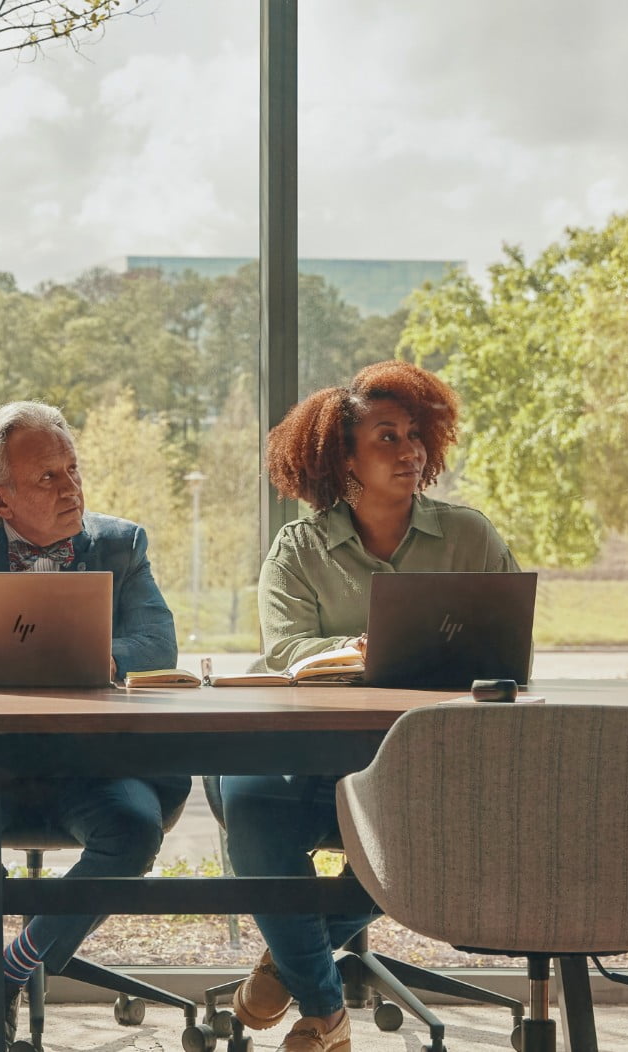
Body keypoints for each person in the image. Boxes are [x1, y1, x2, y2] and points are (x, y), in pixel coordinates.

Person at [220, 361, 517, 1052]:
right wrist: (363, 648)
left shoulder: (470, 538)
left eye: (416, 435)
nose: (410, 450)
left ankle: (295, 972)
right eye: (387, 436)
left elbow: (508, 647)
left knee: (419, 833)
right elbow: (286, 649)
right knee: (246, 799)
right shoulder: (297, 550)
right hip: (313, 756)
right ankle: (326, 1007)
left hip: (427, 763)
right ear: (341, 456)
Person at [0, 400, 186, 1052]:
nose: (71, 487)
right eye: (47, 478)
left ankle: (3, 974)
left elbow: (157, 642)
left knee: (134, 827)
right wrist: (18, 644)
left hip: (91, 760)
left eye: (72, 469)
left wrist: (100, 654)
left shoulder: (121, 543)